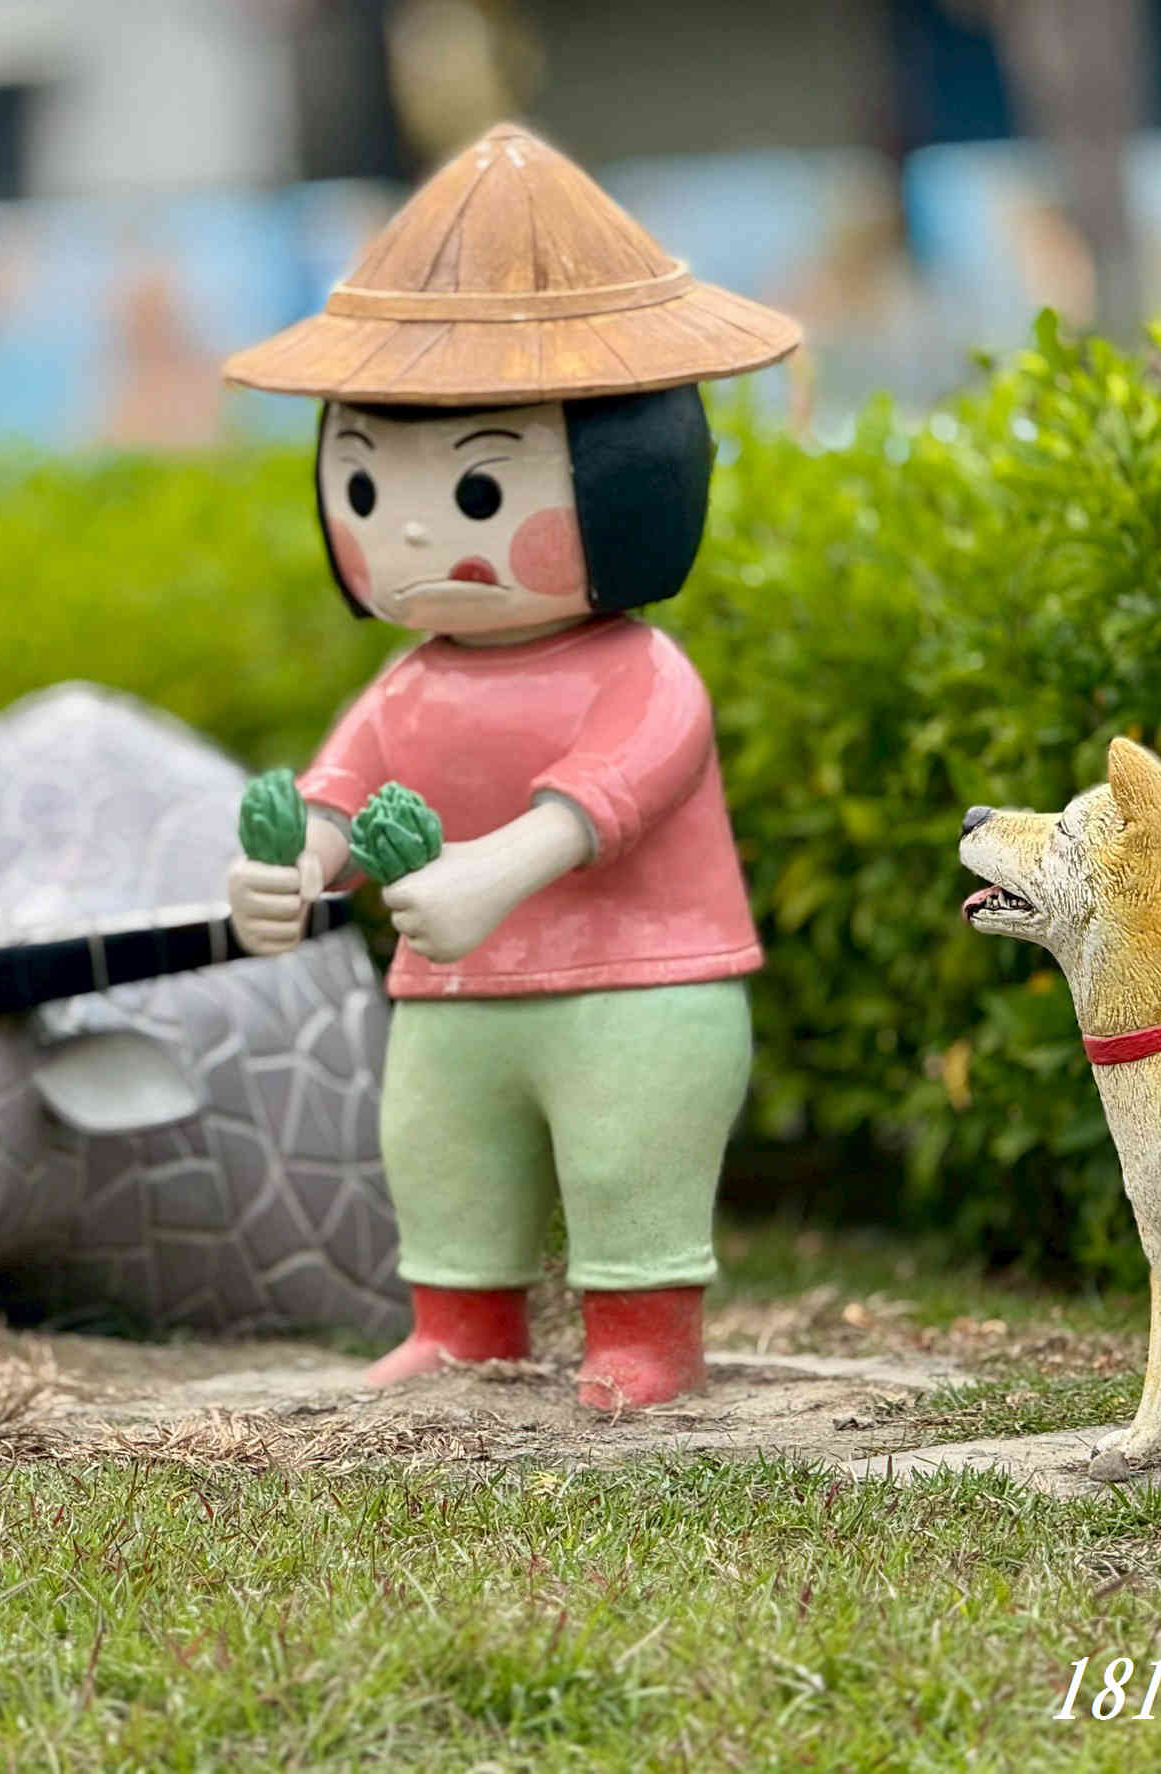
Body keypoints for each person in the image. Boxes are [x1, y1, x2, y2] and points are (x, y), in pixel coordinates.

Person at [222, 122, 800, 1409]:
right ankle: (462, 1318)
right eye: (366, 488)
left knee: (626, 1161)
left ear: (630, 482)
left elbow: (598, 803)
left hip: (639, 989)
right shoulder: (410, 681)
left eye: (479, 494)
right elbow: (337, 797)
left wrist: (491, 874)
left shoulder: (644, 672)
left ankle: (643, 1333)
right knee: (439, 1150)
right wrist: (295, 874)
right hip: (454, 991)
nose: (412, 529)